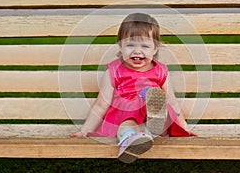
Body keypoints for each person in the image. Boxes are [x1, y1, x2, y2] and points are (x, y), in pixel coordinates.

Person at [70, 13, 197, 163]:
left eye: (145, 46)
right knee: (126, 123)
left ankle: (150, 130)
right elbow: (101, 104)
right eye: (130, 45)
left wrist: (184, 128)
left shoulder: (160, 71)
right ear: (120, 46)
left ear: (155, 48)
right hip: (126, 112)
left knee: (161, 110)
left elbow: (172, 101)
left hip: (151, 114)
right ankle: (130, 140)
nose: (137, 51)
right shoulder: (114, 71)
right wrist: (84, 130)